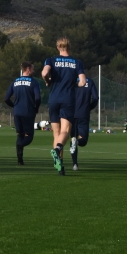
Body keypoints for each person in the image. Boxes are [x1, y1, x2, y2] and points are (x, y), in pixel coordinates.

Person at [42, 37, 86, 176]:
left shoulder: (51, 60)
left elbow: (44, 73)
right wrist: (75, 84)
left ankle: (60, 166)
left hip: (54, 99)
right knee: (65, 131)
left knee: (56, 133)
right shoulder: (77, 62)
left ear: (58, 48)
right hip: (68, 99)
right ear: (69, 47)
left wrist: (48, 81)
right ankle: (57, 150)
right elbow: (83, 82)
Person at [4, 61, 41, 166]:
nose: (34, 71)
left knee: (19, 135)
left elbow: (6, 98)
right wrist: (36, 108)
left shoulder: (14, 81)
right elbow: (38, 97)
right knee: (29, 136)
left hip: (17, 112)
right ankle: (21, 146)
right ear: (28, 69)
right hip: (28, 112)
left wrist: (14, 106)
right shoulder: (34, 82)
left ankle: (20, 160)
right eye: (32, 69)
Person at [71, 76, 98, 171]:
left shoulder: (71, 81)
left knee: (72, 138)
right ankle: (77, 142)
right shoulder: (89, 81)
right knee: (83, 140)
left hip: (71, 114)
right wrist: (88, 108)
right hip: (83, 114)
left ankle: (75, 164)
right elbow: (95, 98)